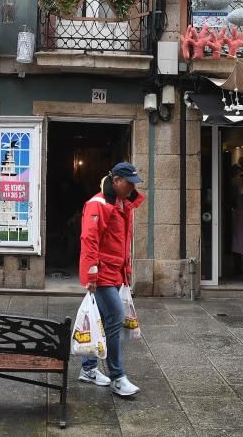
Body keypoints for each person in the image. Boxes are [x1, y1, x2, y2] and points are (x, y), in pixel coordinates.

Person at [78, 161, 146, 397]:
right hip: (104, 274)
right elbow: (90, 240)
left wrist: (125, 271)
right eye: (129, 183)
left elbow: (120, 241)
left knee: (102, 320)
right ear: (116, 181)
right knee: (115, 318)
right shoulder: (99, 204)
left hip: (114, 272)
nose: (132, 188)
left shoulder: (121, 204)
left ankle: (88, 369)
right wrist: (91, 275)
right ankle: (118, 377)